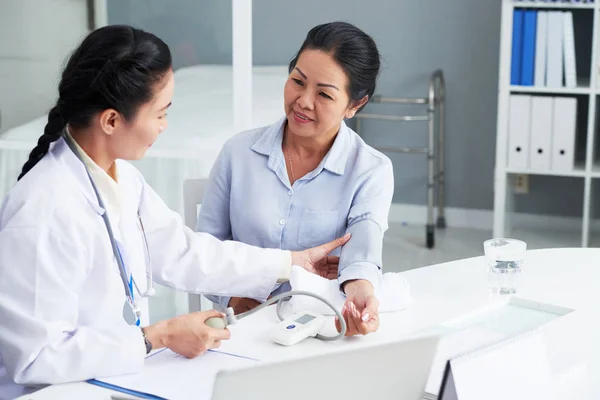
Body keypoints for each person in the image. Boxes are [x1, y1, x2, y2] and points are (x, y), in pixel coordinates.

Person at [0, 25, 348, 398]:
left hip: (115, 378)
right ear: (112, 121)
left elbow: (183, 252)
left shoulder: (121, 178)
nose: (165, 126)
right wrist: (157, 337)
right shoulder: (42, 212)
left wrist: (289, 263)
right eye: (161, 113)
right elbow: (36, 359)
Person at [197, 21, 394, 337]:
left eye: (324, 94)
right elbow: (204, 248)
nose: (303, 101)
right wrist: (232, 297)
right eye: (298, 81)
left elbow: (363, 250)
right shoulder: (238, 153)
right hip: (239, 329)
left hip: (317, 329)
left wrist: (361, 291)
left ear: (355, 105)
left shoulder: (370, 170)